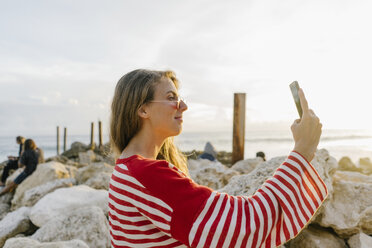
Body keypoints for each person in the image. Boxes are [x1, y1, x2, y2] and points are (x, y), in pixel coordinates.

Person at [108, 69, 327, 248]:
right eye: (171, 98)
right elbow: (245, 225)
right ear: (143, 109)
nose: (183, 106)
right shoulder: (146, 174)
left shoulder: (126, 170)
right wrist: (303, 151)